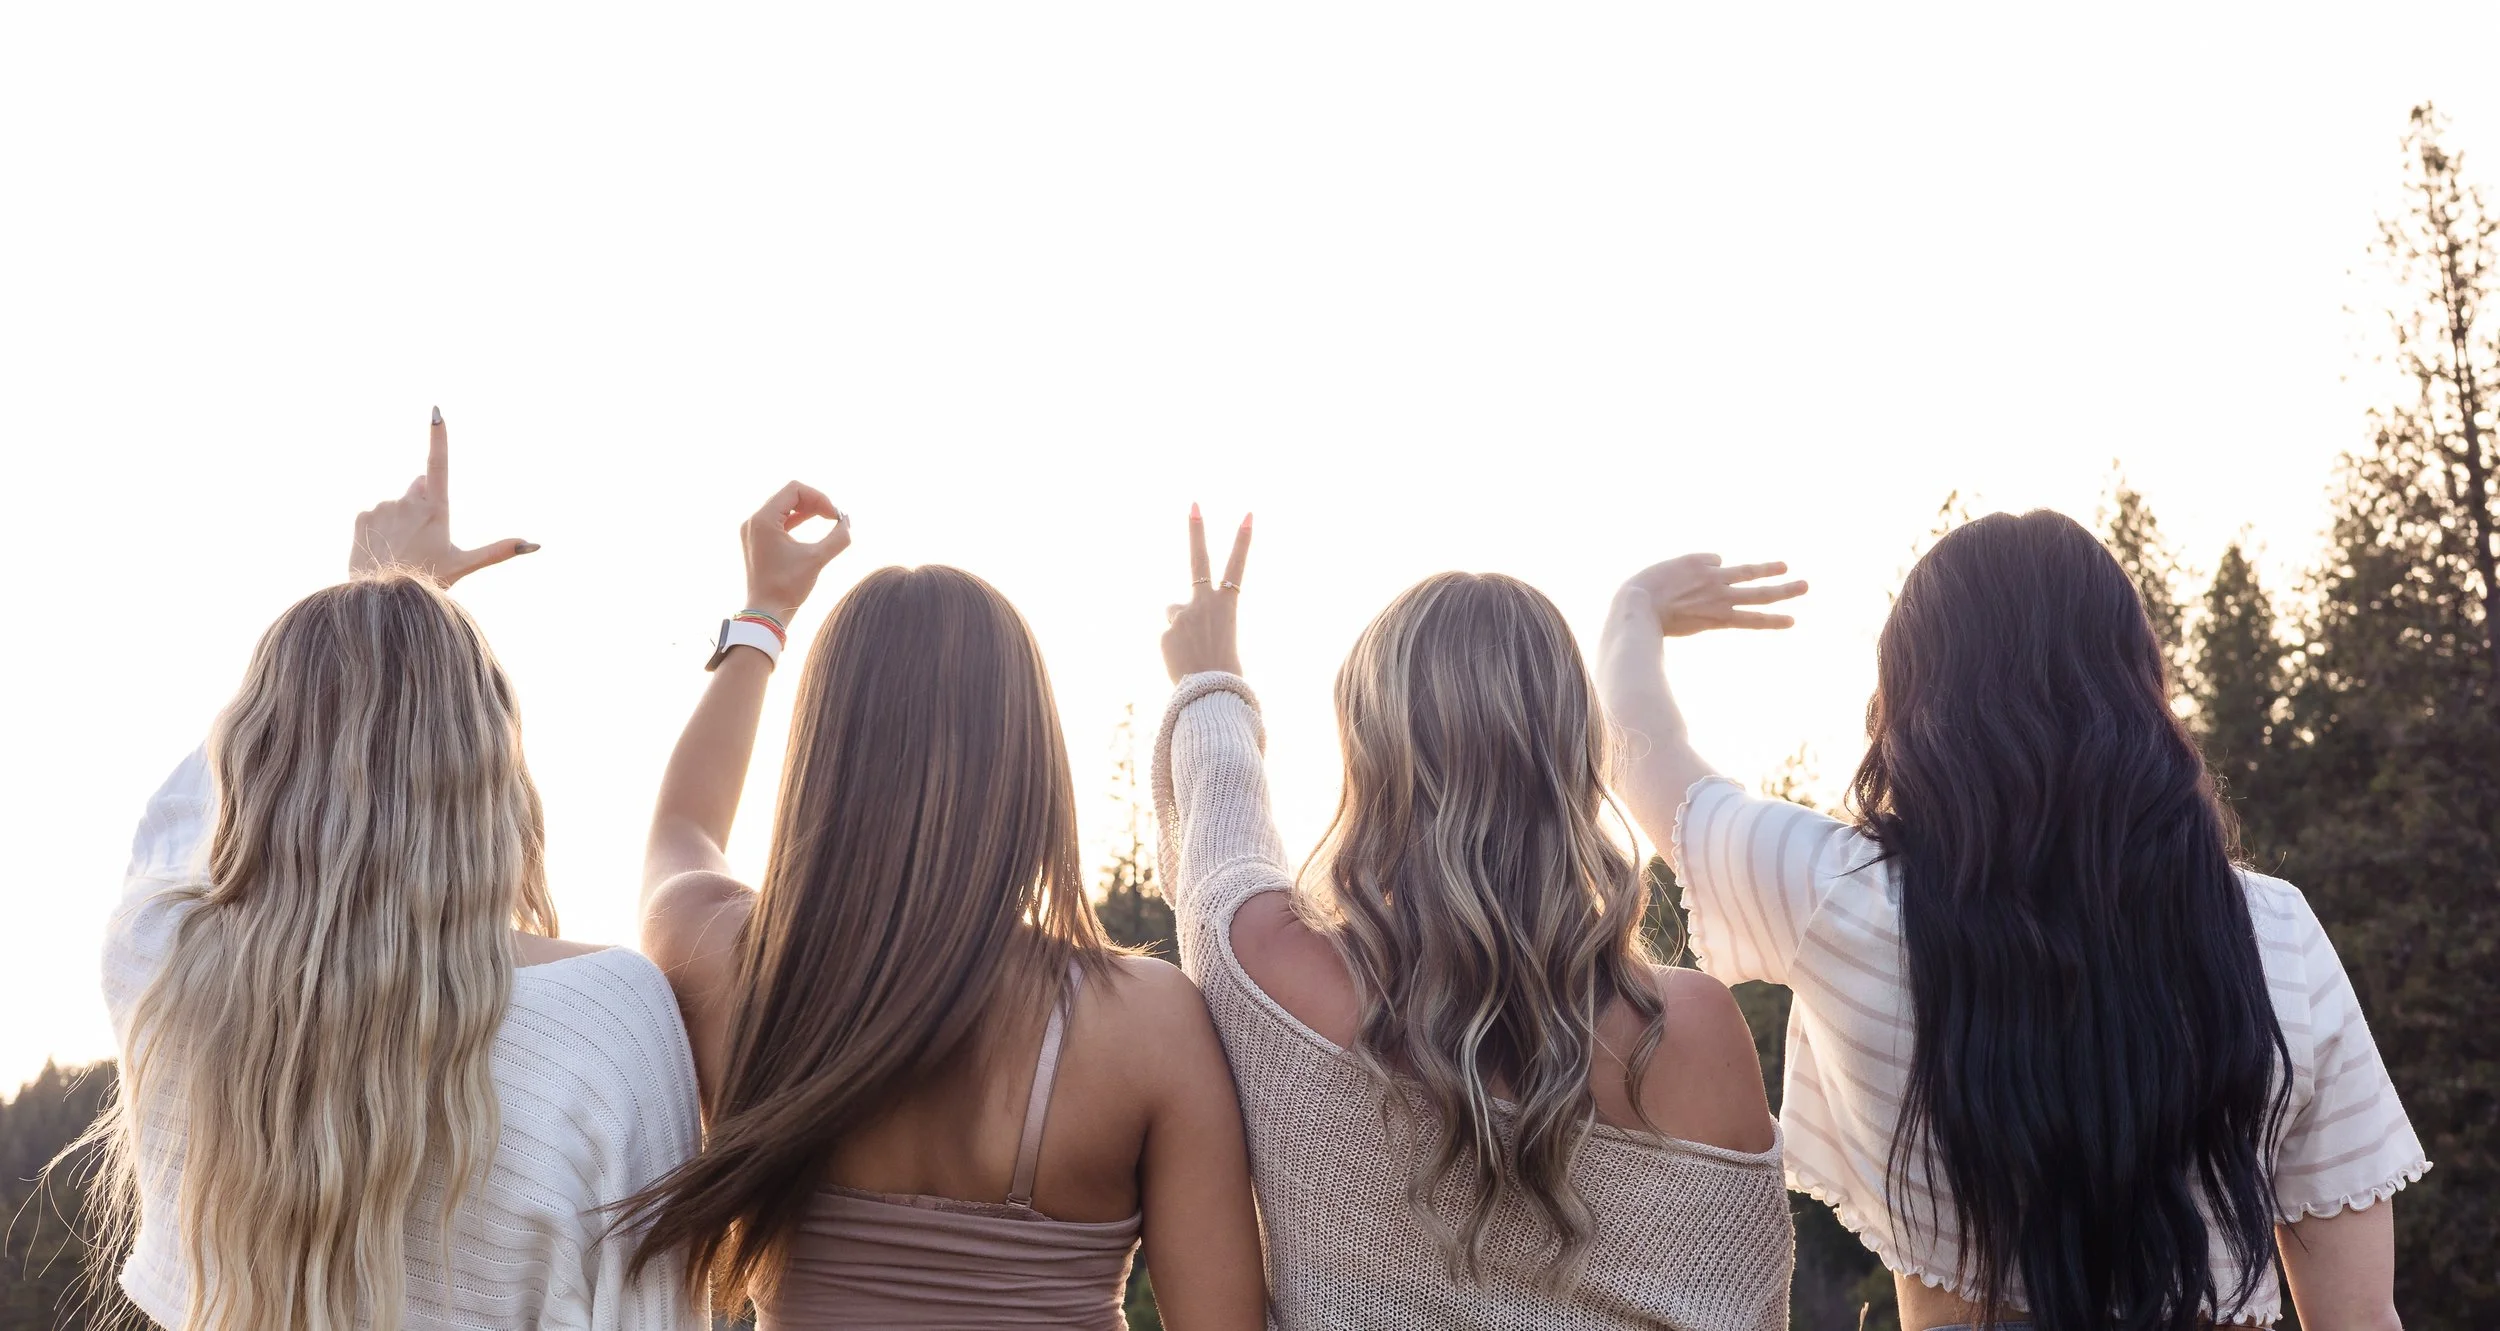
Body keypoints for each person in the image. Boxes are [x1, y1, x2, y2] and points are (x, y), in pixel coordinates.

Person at [1598, 513, 2423, 1331]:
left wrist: (1636, 609)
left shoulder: (1842, 897)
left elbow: (1646, 754)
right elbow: (2359, 1313)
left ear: (1911, 701)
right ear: (2141, 681)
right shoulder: (2275, 930)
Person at [93, 413, 703, 1331]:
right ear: (492, 773)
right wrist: (393, 610)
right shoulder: (605, 1020)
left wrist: (358, 603)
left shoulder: (169, 969)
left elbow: (176, 824)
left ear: (257, 756)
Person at [626, 484, 1266, 1330]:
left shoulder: (724, 961)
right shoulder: (1146, 1024)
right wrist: (1214, 689)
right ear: (1030, 763)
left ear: (823, 753)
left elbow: (681, 827)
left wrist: (764, 615)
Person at [1153, 509, 1794, 1330]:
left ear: (1368, 759)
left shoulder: (1267, 967)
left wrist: (1210, 677)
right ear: (1577, 754)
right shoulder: (1693, 1029)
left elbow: (1221, 817)